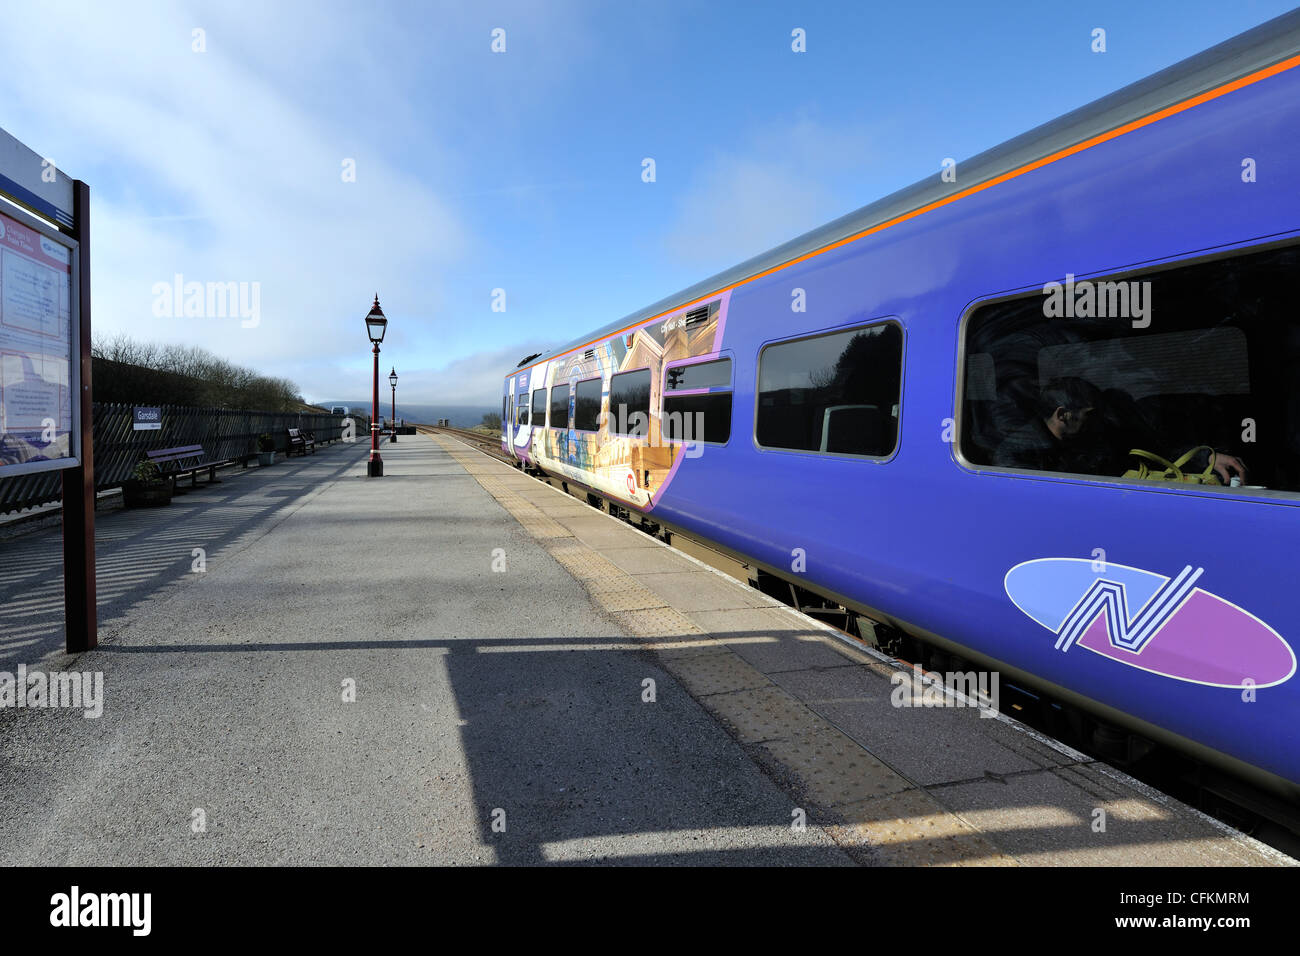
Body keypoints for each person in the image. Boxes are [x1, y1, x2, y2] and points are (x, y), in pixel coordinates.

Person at [994, 376, 1248, 483]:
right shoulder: (1015, 458)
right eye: (1088, 415)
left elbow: (1151, 454)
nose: (1096, 421)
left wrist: (1205, 457)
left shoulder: (1096, 436)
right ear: (1062, 415)